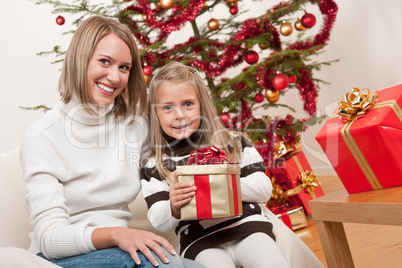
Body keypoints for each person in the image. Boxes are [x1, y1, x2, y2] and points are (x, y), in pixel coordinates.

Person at [20, 16, 204, 268]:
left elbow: (180, 157)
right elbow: (50, 238)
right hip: (64, 257)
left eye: (124, 67)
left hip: (121, 250)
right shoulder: (42, 136)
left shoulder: (135, 126)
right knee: (167, 264)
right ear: (79, 59)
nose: (115, 77)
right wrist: (118, 234)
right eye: (105, 62)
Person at [140, 61, 291, 267]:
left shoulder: (234, 144)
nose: (180, 115)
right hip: (199, 241)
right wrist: (173, 207)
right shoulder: (153, 165)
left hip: (247, 227)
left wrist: (223, 185)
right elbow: (159, 220)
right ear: (155, 114)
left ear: (202, 104)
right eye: (167, 107)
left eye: (188, 104)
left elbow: (264, 190)